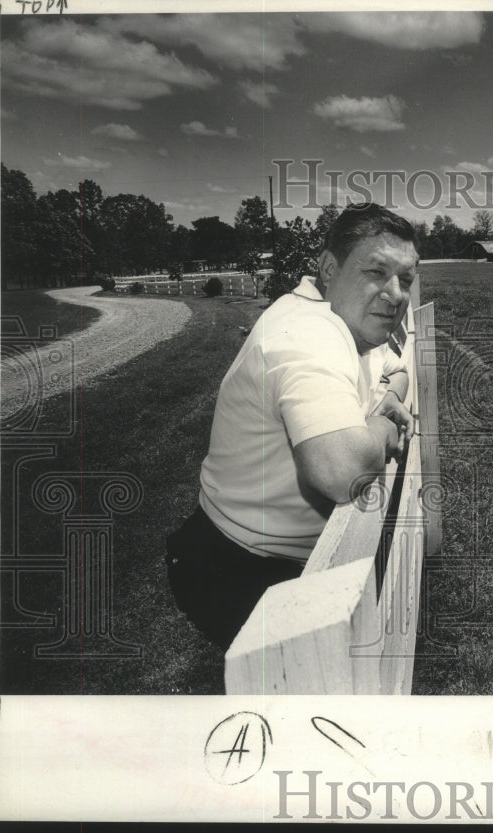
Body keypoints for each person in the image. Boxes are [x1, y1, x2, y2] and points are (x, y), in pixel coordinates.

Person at [165, 202, 419, 650]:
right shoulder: (307, 332)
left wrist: (392, 395)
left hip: (271, 557)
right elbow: (342, 471)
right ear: (327, 269)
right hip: (243, 570)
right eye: (376, 272)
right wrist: (382, 423)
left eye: (407, 279)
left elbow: (392, 365)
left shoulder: (345, 320)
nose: (396, 294)